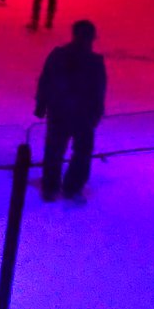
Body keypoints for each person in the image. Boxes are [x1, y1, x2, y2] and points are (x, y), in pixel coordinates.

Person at [34, 20, 106, 203]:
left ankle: (51, 186)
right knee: (81, 152)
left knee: (55, 150)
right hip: (83, 114)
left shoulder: (59, 55)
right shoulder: (95, 62)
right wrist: (96, 113)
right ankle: (72, 186)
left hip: (60, 111)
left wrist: (42, 105)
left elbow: (46, 80)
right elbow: (99, 90)